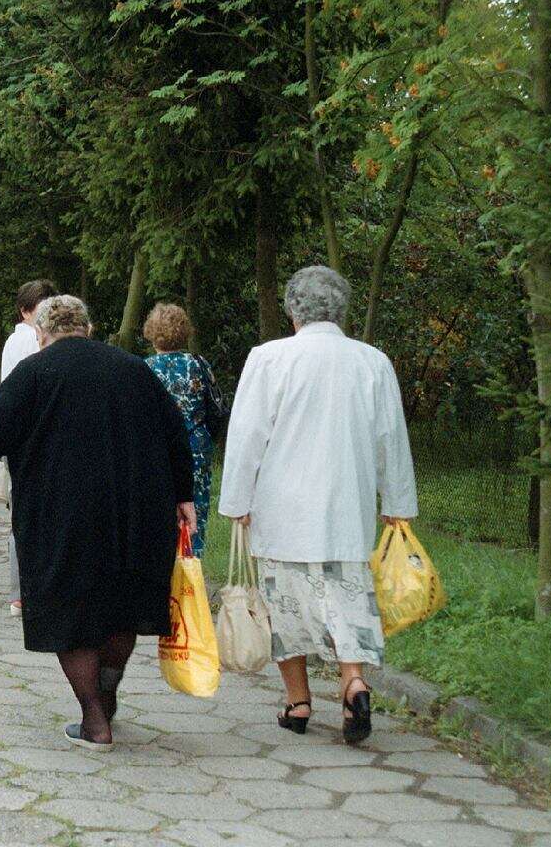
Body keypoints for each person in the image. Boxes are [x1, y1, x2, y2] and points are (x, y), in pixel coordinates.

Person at [0, 295, 197, 751]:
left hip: (62, 511)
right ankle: (105, 694)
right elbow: (175, 433)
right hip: (136, 508)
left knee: (68, 608)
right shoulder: (133, 369)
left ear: (40, 333)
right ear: (88, 328)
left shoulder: (32, 374)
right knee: (121, 603)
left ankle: (94, 719)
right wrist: (183, 495)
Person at [219, 265, 417, 745]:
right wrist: (397, 501)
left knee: (285, 602)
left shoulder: (269, 358)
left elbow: (248, 434)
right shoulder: (372, 361)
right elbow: (392, 435)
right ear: (342, 311)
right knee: (347, 598)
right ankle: (353, 683)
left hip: (282, 506)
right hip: (347, 508)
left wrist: (236, 500)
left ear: (292, 311)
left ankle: (298, 700)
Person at [0, 279, 58, 617]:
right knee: (25, 513)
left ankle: (26, 589)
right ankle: (22, 591)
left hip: (27, 436)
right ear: (25, 310)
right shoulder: (24, 341)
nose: (46, 312)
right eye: (41, 306)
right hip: (28, 437)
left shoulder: (23, 340)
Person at [144, 304, 219, 557]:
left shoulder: (144, 368)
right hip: (196, 449)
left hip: (157, 453)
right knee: (195, 514)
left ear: (152, 333)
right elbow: (215, 408)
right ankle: (192, 573)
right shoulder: (199, 364)